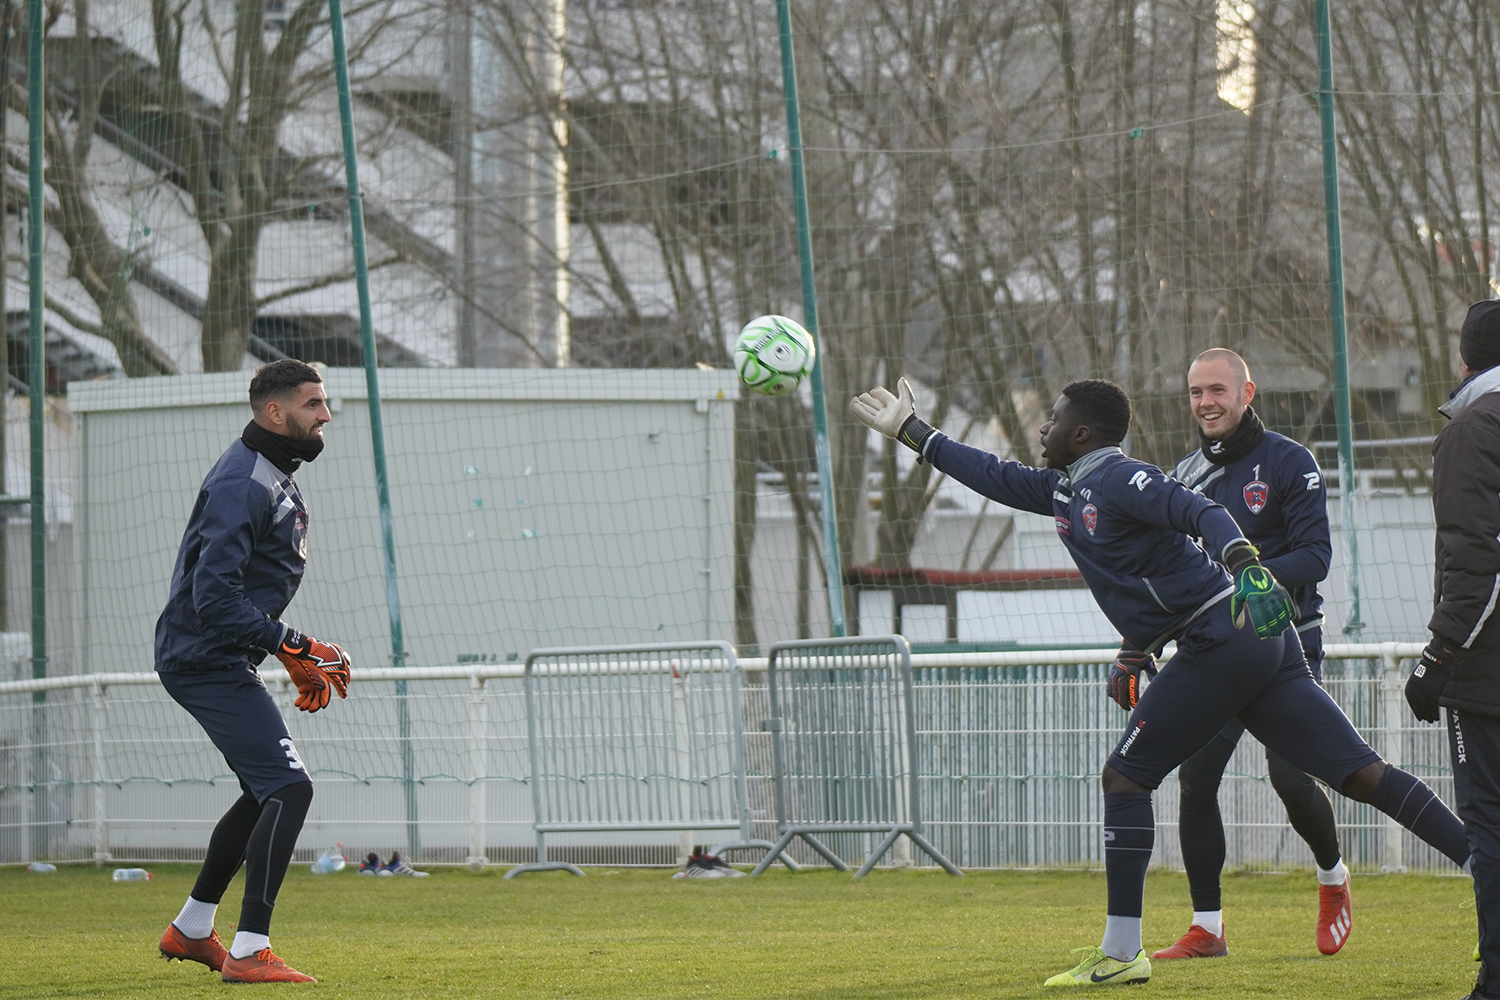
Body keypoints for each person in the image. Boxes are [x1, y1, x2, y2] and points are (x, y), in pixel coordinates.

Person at [852, 376, 1471, 989]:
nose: (1042, 429)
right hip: (1251, 641)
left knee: (1125, 776)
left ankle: (1122, 951)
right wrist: (913, 432)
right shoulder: (1067, 489)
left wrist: (1244, 563)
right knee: (1361, 775)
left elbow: (1200, 509)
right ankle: (1486, 866)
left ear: (1083, 432)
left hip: (1222, 636)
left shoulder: (1119, 477)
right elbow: (991, 474)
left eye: (1054, 419)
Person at [1135, 349, 1349, 960]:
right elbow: (1168, 571)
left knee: (1289, 777)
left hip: (1288, 645)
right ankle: (1209, 928)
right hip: (1218, 651)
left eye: (1218, 390)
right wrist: (1138, 645)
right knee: (1195, 780)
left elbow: (1315, 558)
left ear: (1247, 391)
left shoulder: (1290, 461)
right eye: (1196, 391)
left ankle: (1333, 878)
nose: (1206, 402)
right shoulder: (1183, 477)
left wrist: (1245, 578)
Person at [154, 360, 352, 984]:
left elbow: (238, 594)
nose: (325, 414)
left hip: (217, 656)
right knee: (291, 789)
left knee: (265, 789)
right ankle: (247, 950)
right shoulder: (247, 481)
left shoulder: (269, 472)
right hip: (203, 659)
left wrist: (286, 653)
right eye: (314, 403)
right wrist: (295, 644)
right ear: (275, 412)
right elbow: (214, 597)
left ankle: (190, 930)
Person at [1406, 299, 1500, 1000]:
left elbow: (1478, 563)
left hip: (1487, 670)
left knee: (1490, 822)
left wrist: (1437, 657)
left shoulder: (1474, 427)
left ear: (1466, 358)